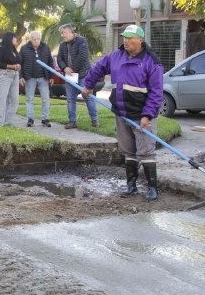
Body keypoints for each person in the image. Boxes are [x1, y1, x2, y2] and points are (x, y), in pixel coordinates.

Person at [81, 25, 164, 201]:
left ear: (140, 40)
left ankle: (152, 188)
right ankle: (131, 186)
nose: (125, 40)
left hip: (142, 115)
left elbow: (156, 93)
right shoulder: (115, 56)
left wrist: (147, 115)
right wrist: (88, 85)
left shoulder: (152, 62)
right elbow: (98, 69)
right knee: (128, 151)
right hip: (122, 113)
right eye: (124, 37)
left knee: (146, 151)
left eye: (130, 38)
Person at [57, 24, 98, 128]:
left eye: (64, 33)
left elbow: (83, 56)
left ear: (71, 32)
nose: (62, 35)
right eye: (61, 33)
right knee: (70, 99)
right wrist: (65, 68)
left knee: (88, 97)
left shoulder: (81, 40)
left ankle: (94, 120)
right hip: (70, 76)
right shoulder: (62, 45)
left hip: (83, 75)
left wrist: (72, 68)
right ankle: (72, 121)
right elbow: (59, 59)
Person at [19, 30, 55, 128]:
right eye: (34, 39)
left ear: (40, 39)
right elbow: (19, 64)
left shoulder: (46, 48)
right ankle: (30, 119)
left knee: (46, 99)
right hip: (29, 78)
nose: (36, 41)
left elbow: (50, 63)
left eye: (38, 39)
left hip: (43, 77)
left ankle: (45, 119)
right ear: (30, 39)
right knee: (30, 99)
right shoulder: (24, 48)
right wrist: (20, 76)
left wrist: (51, 76)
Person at [0, 31, 22, 127]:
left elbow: (19, 61)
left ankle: (9, 122)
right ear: (9, 39)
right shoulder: (1, 50)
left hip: (15, 75)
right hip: (4, 75)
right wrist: (11, 66)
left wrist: (18, 66)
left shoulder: (15, 51)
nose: (16, 39)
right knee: (2, 99)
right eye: (14, 37)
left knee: (14, 99)